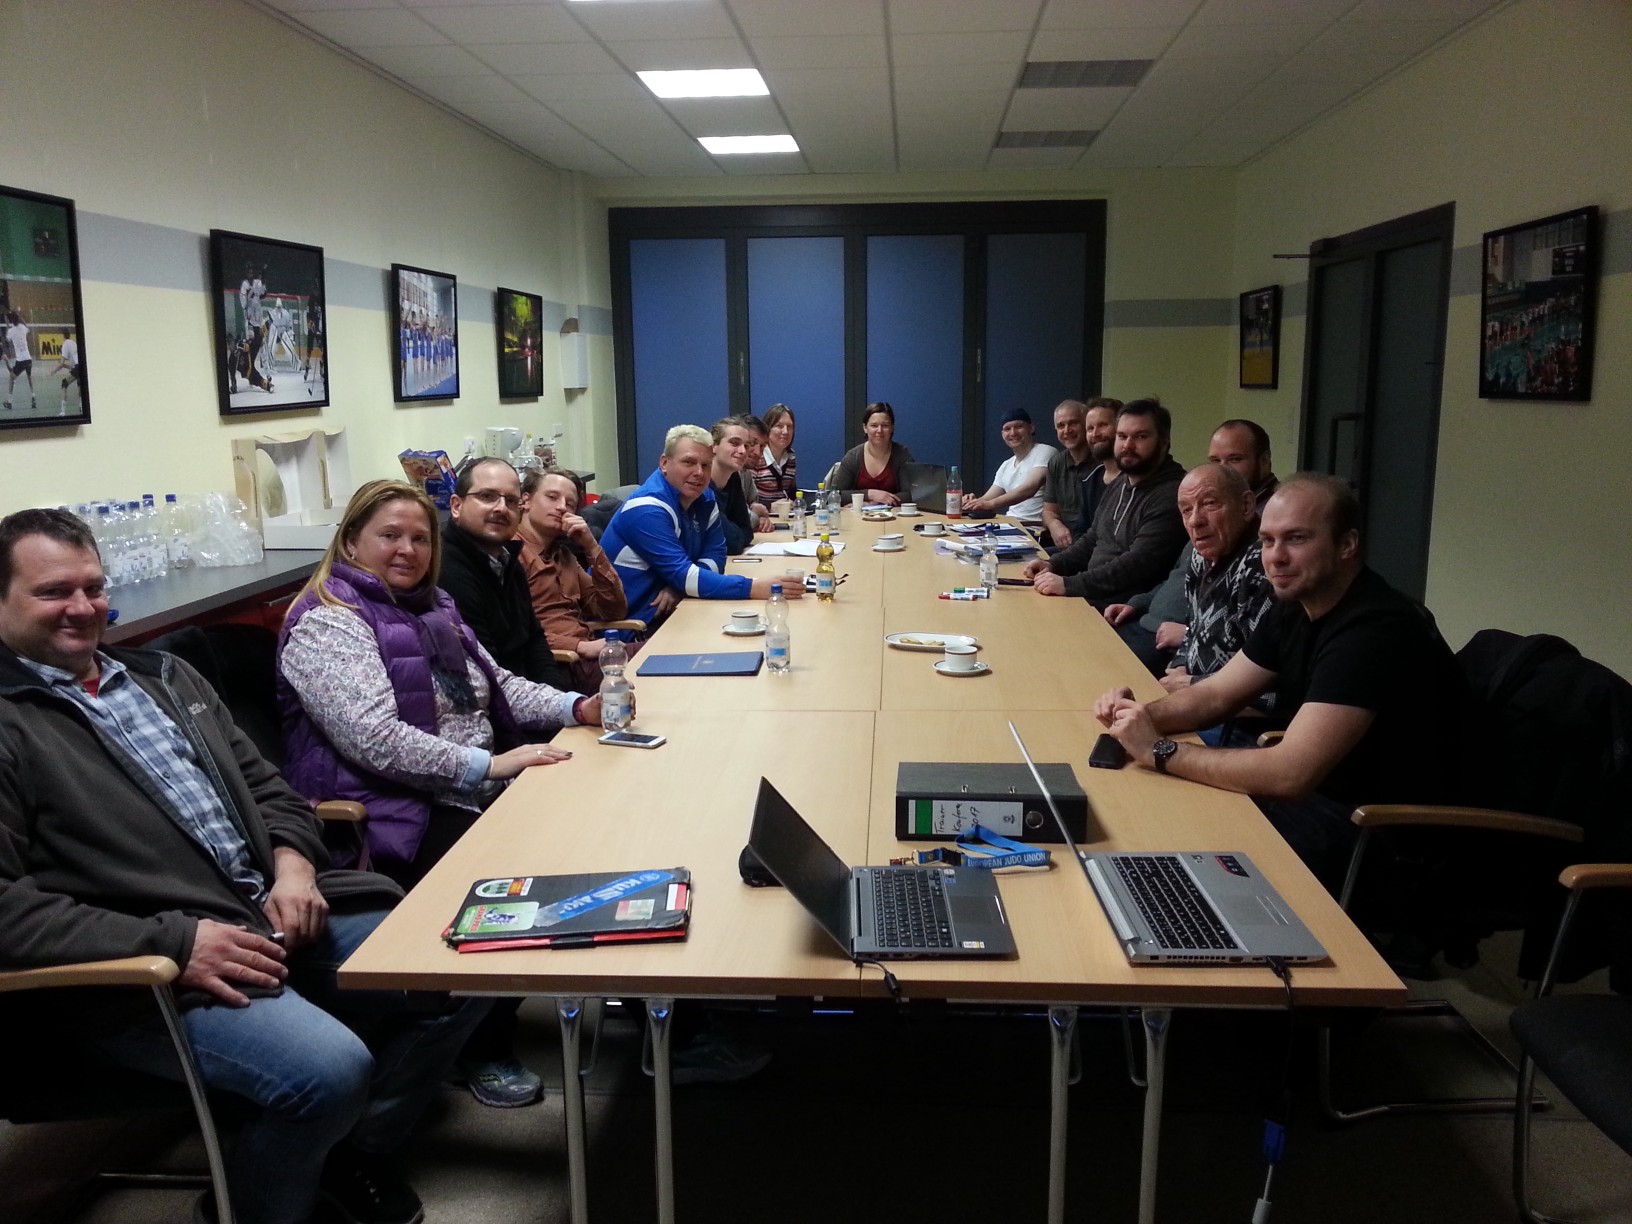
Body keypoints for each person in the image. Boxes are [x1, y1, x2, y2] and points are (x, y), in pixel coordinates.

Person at [0, 507, 486, 1224]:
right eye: (53, 592)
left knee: (469, 960)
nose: (83, 608)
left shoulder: (164, 677)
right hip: (143, 971)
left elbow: (273, 793)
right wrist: (177, 942)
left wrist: (294, 866)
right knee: (328, 1073)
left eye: (93, 588)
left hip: (268, 909)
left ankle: (345, 1152)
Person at [277, 480, 603, 1108]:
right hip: (388, 809)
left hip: (462, 784)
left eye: (420, 538)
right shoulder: (328, 621)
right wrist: (489, 765)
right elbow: (374, 739)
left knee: (587, 815)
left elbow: (499, 684)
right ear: (351, 542)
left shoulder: (433, 607)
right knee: (513, 880)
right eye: (389, 536)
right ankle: (480, 1045)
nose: (407, 550)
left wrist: (575, 706)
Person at [1091, 473, 1467, 887]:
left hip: (1382, 835)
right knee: (1162, 809)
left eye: (1296, 539)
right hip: (1326, 801)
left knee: (1184, 834)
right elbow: (1216, 695)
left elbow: (1290, 773)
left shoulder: (1374, 630)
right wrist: (1139, 717)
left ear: (1347, 544)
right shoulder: (1297, 605)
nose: (1276, 557)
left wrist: (1157, 750)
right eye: (1268, 541)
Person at [601, 424, 805, 627]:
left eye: (706, 465)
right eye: (688, 462)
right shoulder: (646, 508)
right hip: (631, 629)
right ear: (664, 463)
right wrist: (754, 587)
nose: (699, 472)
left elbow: (716, 556)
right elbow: (685, 576)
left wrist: (682, 585)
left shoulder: (704, 496)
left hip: (678, 614)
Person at [1022, 398, 1186, 604]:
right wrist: (1053, 565)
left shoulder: (1173, 493)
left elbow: (1136, 565)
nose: (1128, 445)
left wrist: (1069, 584)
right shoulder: (1120, 482)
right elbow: (1092, 539)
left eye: (1141, 436)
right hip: (1093, 595)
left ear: (1163, 442)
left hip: (1123, 608)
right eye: (1122, 436)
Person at [437, 456, 572, 690]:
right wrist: (562, 705)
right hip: (496, 703)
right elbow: (488, 675)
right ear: (456, 506)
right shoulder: (446, 571)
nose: (501, 508)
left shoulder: (507, 561)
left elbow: (534, 641)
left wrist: (560, 697)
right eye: (487, 496)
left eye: (511, 501)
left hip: (533, 697)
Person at [517, 466, 628, 690]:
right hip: (559, 665)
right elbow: (516, 631)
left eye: (570, 504)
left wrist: (591, 546)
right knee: (659, 658)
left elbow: (613, 611)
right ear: (526, 501)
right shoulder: (513, 555)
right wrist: (578, 646)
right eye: (552, 497)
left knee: (668, 653)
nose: (561, 507)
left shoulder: (565, 555)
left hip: (589, 658)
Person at [962, 408, 1058, 520]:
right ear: (1002, 434)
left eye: (1019, 426)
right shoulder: (1006, 465)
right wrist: (970, 503)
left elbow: (1030, 488)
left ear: (1031, 428)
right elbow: (987, 499)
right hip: (1010, 524)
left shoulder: (1045, 451)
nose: (1013, 433)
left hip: (1034, 526)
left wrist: (989, 504)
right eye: (1007, 429)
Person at [831, 401, 916, 506]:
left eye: (885, 425)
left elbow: (912, 495)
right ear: (865, 428)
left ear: (892, 428)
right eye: (874, 425)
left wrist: (876, 503)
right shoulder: (853, 457)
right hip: (858, 515)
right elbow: (834, 494)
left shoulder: (902, 455)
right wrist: (869, 494)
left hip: (894, 515)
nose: (879, 430)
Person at [709, 415, 772, 554]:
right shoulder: (701, 484)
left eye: (746, 445)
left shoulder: (733, 477)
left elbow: (747, 531)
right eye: (734, 443)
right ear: (714, 446)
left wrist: (735, 535)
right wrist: (736, 535)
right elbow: (731, 542)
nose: (743, 451)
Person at [1209, 418, 1279, 504]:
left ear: (1265, 460)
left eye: (1234, 459)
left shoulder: (1282, 506)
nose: (1221, 469)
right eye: (1215, 461)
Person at [754, 402, 798, 507]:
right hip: (761, 515)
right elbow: (746, 501)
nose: (785, 431)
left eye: (789, 426)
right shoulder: (756, 457)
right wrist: (771, 507)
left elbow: (792, 494)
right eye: (779, 426)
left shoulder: (791, 456)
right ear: (767, 428)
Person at [4, 311, 35, 412]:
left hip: (20, 360)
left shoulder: (11, 331)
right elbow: (28, 329)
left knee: (11, 378)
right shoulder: (23, 327)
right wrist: (22, 319)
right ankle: (33, 396)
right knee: (29, 377)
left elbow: (7, 339)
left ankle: (9, 402)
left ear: (11, 321)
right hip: (28, 359)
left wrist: (7, 324)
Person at [50, 332, 81, 412]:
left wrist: (54, 370)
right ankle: (81, 406)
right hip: (80, 367)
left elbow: (62, 363)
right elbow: (73, 367)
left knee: (64, 383)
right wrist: (63, 365)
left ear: (63, 336)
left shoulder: (65, 344)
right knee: (79, 384)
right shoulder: (73, 343)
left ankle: (63, 412)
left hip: (78, 367)